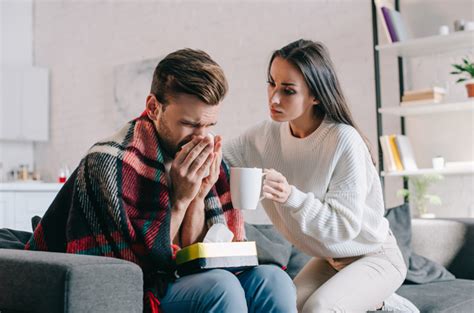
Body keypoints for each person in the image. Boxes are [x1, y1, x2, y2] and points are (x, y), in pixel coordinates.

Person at [25, 48, 296, 313]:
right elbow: (137, 270)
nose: (201, 138)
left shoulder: (210, 160)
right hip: (142, 282)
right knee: (221, 286)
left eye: (210, 126)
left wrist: (198, 194)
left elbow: (195, 252)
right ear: (154, 108)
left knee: (274, 281)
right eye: (189, 124)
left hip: (183, 275)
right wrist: (178, 199)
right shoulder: (108, 164)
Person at [223, 39, 418, 312]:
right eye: (271, 83)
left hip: (375, 256)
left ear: (315, 95)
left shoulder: (342, 140)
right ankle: (375, 301)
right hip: (330, 259)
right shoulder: (263, 136)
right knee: (284, 305)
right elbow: (219, 161)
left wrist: (291, 196)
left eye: (288, 90)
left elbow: (343, 227)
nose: (274, 98)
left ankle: (388, 305)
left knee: (320, 309)